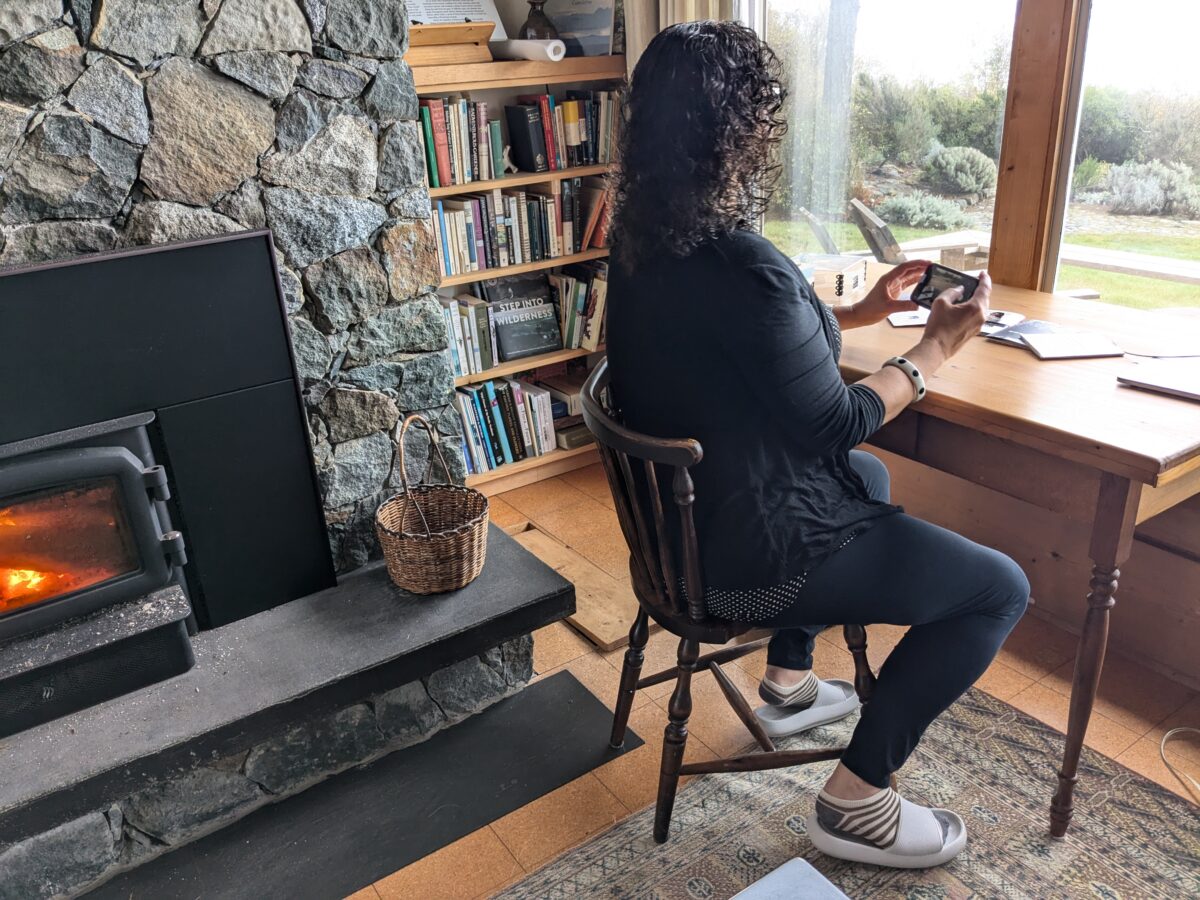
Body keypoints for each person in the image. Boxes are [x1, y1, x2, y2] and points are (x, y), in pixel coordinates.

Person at [604, 20, 1030, 869]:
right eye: (762, 116)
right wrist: (936, 348)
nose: (772, 131)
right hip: (746, 570)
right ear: (737, 133)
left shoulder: (642, 243)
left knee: (863, 479)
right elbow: (835, 420)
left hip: (683, 543)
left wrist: (864, 312)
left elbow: (749, 340)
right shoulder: (746, 266)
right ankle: (857, 799)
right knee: (997, 589)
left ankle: (790, 683)